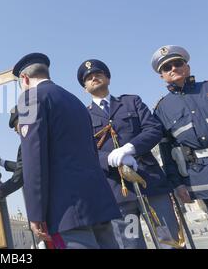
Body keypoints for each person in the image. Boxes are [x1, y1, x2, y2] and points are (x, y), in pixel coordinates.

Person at [14, 53, 122, 249]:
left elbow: (34, 159)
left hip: (66, 207)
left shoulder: (29, 98)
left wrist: (36, 213)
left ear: (25, 78)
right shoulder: (75, 101)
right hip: (97, 199)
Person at [77, 59, 181, 249]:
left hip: (150, 183)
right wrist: (107, 159)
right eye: (88, 78)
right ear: (85, 88)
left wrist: (130, 148)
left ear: (108, 78)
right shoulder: (83, 116)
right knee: (131, 244)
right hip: (119, 192)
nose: (94, 78)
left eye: (98, 74)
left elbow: (153, 129)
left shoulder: (131, 102)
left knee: (169, 241)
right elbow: (84, 151)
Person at [152, 46, 208, 207]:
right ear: (162, 76)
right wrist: (177, 184)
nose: (173, 68)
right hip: (200, 176)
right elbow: (166, 151)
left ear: (187, 67)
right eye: (167, 67)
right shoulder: (162, 109)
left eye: (178, 63)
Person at [0, 107, 23, 202]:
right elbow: (23, 167)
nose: (15, 130)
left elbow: (21, 174)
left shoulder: (28, 144)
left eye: (15, 125)